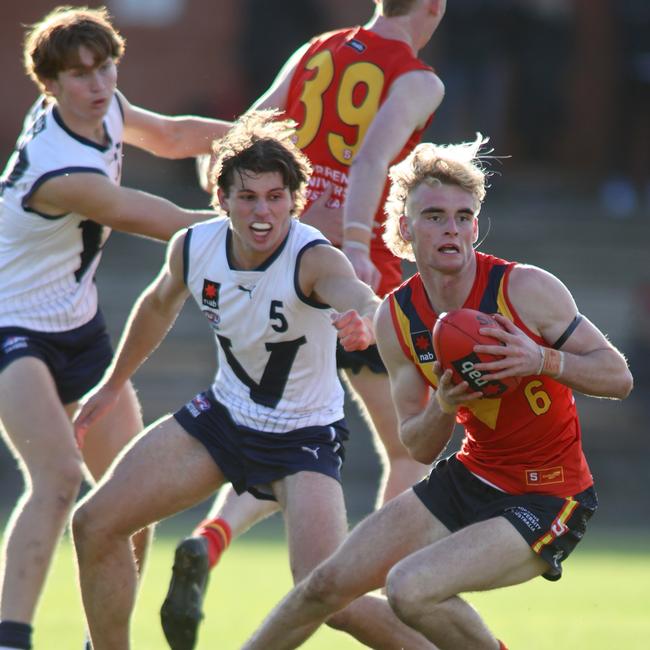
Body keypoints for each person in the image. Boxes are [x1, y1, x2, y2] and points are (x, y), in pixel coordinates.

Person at [240, 135, 634, 649]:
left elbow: (618, 376)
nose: (452, 228)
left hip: (550, 494)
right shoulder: (396, 318)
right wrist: (446, 406)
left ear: (475, 224)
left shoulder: (524, 289)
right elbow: (418, 445)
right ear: (404, 227)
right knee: (325, 586)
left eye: (463, 215)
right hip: (472, 476)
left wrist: (542, 359)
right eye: (434, 215)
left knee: (409, 589)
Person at [70, 110, 436, 650]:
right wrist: (111, 382)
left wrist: (364, 319)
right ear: (222, 200)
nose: (262, 212)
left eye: (274, 197)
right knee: (93, 523)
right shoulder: (194, 247)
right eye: (247, 198)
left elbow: (357, 294)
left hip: (302, 441)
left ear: (295, 200)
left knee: (331, 597)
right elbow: (155, 305)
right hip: (223, 421)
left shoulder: (311, 257)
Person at [164, 2, 447, 644]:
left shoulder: (321, 46)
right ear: (432, 6)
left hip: (283, 266)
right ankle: (376, 594)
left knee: (284, 431)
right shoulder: (419, 76)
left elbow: (248, 128)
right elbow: (372, 159)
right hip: (355, 277)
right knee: (406, 447)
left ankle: (213, 536)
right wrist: (353, 244)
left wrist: (224, 190)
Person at [0, 7, 230, 650]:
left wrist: (257, 141)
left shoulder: (106, 108)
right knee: (59, 477)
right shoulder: (61, 170)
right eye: (80, 75)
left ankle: (104, 643)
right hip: (10, 326)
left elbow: (175, 134)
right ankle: (11, 636)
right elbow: (154, 217)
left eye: (106, 67)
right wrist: (259, 220)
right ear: (51, 85)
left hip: (76, 325)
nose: (99, 84)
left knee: (133, 495)